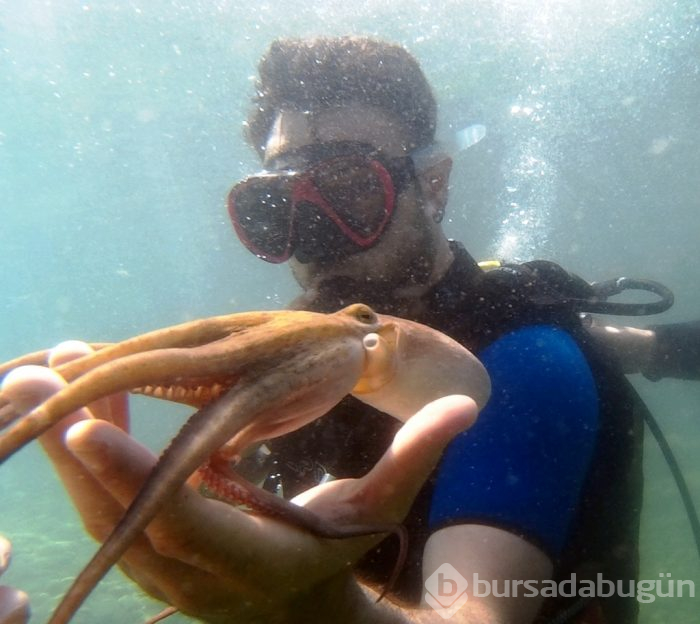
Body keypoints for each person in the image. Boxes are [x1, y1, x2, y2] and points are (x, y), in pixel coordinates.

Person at [2, 36, 699, 624]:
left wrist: (334, 612)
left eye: (352, 190)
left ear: (432, 185)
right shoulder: (300, 361)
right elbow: (222, 496)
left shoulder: (531, 362)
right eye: (279, 207)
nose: (317, 236)